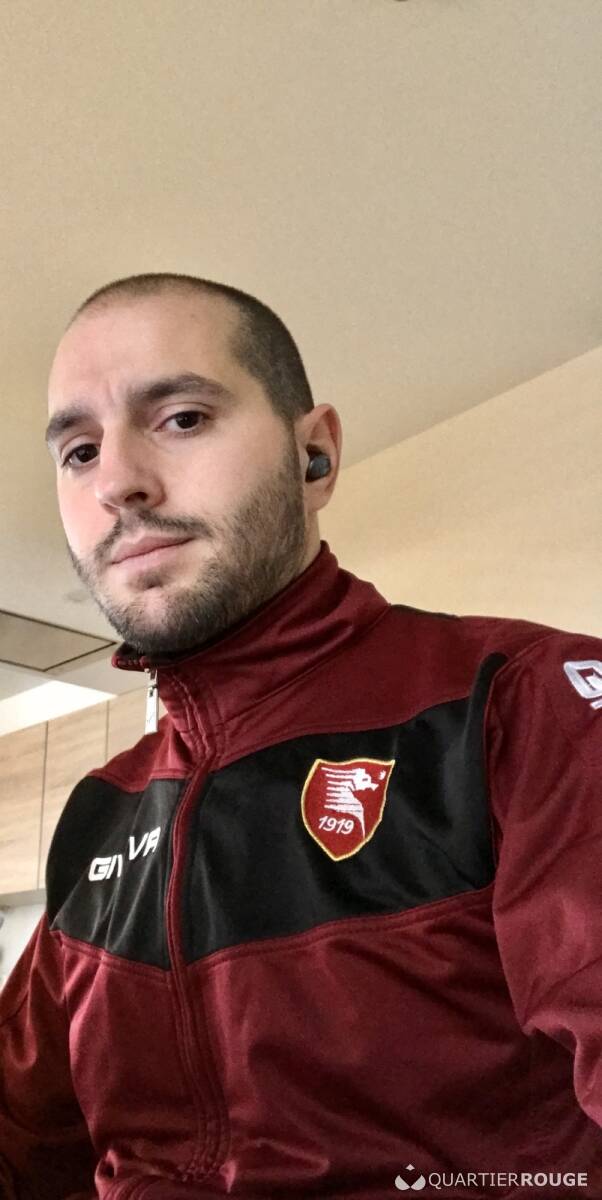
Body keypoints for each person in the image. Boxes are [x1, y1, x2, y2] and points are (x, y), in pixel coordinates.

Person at [1, 273, 601, 1200]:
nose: (117, 483)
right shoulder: (102, 812)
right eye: (79, 451)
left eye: (182, 418)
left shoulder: (526, 700)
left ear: (313, 455)